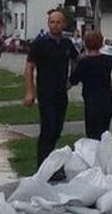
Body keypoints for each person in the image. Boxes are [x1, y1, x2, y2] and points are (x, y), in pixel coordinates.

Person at [24, 10, 78, 169]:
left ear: (64, 24)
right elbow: (29, 68)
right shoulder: (39, 43)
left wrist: (72, 81)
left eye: (58, 22)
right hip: (45, 92)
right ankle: (43, 166)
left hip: (61, 92)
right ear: (48, 24)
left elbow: (77, 61)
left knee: (57, 130)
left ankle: (50, 164)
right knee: (49, 127)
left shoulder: (67, 44)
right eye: (52, 22)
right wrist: (29, 91)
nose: (55, 25)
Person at [69, 31, 112, 139]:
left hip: (91, 103)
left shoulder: (83, 63)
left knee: (92, 135)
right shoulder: (107, 60)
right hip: (107, 101)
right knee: (104, 133)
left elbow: (73, 81)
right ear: (101, 44)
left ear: (86, 44)